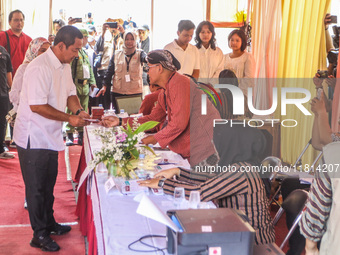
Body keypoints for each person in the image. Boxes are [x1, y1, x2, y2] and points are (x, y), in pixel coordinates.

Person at [13, 26, 90, 252]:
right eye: (75, 49)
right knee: (36, 188)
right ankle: (39, 234)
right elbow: (36, 106)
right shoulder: (39, 67)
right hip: (33, 136)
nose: (77, 54)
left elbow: (70, 94)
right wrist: (69, 118)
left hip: (50, 135)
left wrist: (77, 112)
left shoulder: (64, 65)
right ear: (60, 46)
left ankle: (49, 223)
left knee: (48, 185)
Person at [138, 124, 275, 245]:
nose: (215, 148)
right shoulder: (242, 163)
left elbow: (201, 192)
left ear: (231, 145)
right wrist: (178, 171)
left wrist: (163, 184)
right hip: (238, 231)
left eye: (218, 144)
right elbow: (211, 178)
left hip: (252, 241)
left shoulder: (241, 171)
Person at [102, 49, 220, 167]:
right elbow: (153, 118)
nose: (147, 73)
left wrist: (155, 138)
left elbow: (179, 124)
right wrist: (121, 121)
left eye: (149, 68)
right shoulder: (165, 91)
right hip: (193, 148)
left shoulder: (180, 83)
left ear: (159, 68)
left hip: (206, 147)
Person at [299, 91, 340, 255]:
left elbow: (325, 143)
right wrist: (318, 114)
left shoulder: (335, 153)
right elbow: (317, 142)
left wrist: (322, 112)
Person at [97, 31, 146, 111]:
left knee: (134, 118)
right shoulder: (116, 54)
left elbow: (146, 59)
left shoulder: (140, 53)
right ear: (123, 40)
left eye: (132, 39)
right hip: (118, 92)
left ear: (135, 40)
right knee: (119, 118)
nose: (129, 42)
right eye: (126, 39)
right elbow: (109, 72)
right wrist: (105, 85)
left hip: (135, 93)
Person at [66, 29, 96, 146]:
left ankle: (80, 135)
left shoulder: (84, 53)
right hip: (75, 84)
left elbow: (90, 69)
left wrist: (92, 82)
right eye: (85, 37)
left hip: (85, 85)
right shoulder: (74, 53)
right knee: (72, 109)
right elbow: (69, 70)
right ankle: (69, 133)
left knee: (83, 109)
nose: (86, 40)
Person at [9, 37, 50, 112]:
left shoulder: (48, 69)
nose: (46, 54)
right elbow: (14, 94)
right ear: (34, 51)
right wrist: (32, 100)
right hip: (24, 112)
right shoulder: (24, 68)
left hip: (41, 113)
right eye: (43, 50)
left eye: (48, 51)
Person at [0, 10, 32, 77]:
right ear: (9, 22)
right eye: (16, 20)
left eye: (21, 20)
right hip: (6, 78)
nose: (19, 23)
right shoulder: (2, 36)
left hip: (24, 77)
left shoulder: (29, 40)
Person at [224, 29, 255, 95]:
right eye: (232, 40)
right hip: (226, 93)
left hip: (242, 93)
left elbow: (249, 78)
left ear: (242, 42)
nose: (234, 43)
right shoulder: (224, 57)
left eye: (237, 40)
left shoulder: (247, 57)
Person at [0, 45, 13, 159]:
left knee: (2, 121)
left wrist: (12, 89)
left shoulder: (3, 51)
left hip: (3, 93)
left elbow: (8, 71)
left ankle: (0, 149)